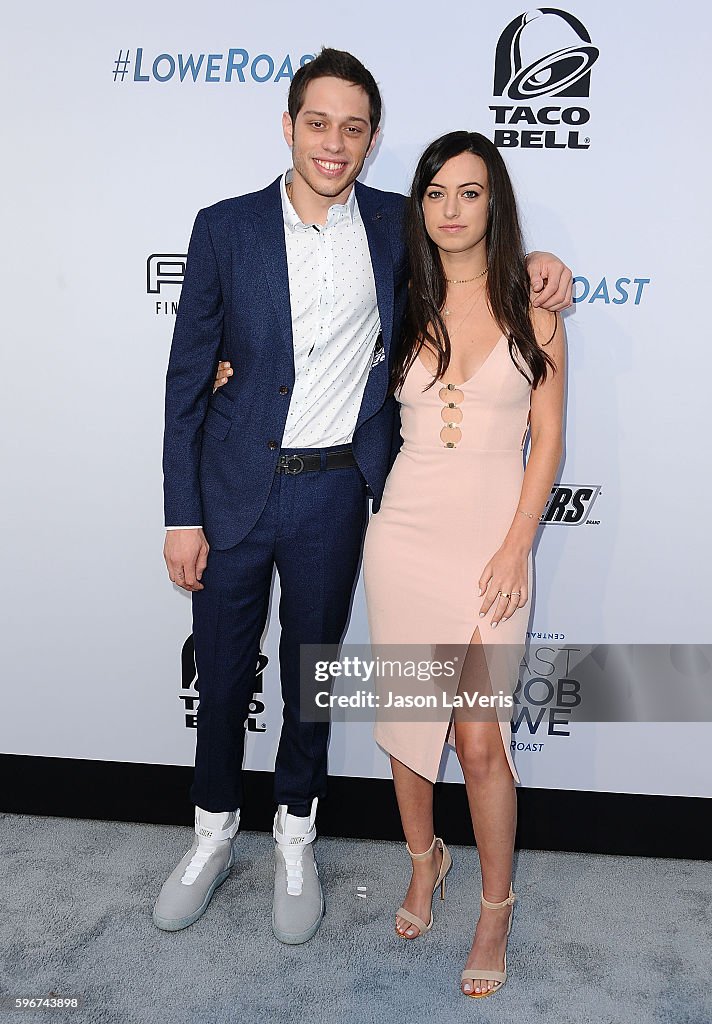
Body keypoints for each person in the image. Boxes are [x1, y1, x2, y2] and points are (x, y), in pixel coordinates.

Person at [161, 48, 571, 947]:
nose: (334, 144)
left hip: (341, 494)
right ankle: (210, 834)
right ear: (289, 125)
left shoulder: (397, 227)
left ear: (373, 140)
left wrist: (547, 262)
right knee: (225, 675)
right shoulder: (224, 227)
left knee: (310, 683)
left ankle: (296, 840)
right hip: (234, 488)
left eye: (354, 129)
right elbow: (188, 376)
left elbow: (482, 248)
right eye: (319, 124)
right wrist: (180, 510)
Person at [363, 131, 566, 997]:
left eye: (470, 192)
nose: (451, 209)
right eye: (436, 192)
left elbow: (549, 444)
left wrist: (518, 543)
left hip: (493, 545)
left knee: (479, 742)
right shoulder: (399, 298)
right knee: (412, 729)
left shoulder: (539, 310)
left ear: (495, 203)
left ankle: (495, 905)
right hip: (403, 537)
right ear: (420, 207)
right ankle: (424, 861)